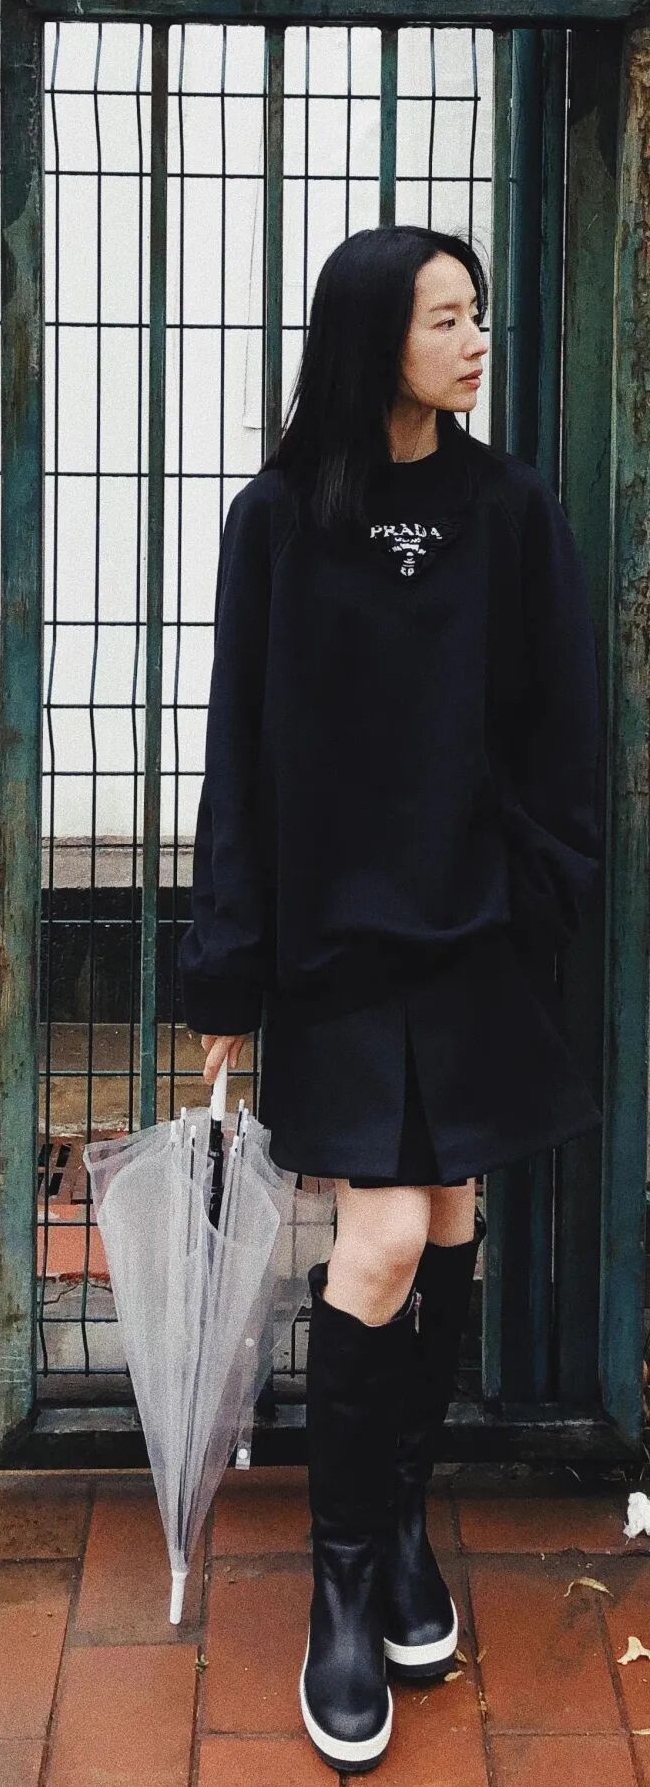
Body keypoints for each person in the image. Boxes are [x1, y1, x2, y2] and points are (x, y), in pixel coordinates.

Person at [177, 225, 604, 1775]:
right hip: (340, 949)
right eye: (445, 318)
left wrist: (536, 885)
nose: (477, 339)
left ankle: (405, 1524)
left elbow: (562, 723)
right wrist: (229, 966)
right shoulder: (278, 520)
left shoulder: (509, 510)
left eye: (480, 312)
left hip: (475, 936)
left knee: (454, 1213)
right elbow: (239, 752)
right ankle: (345, 1584)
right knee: (382, 1238)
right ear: (374, 339)